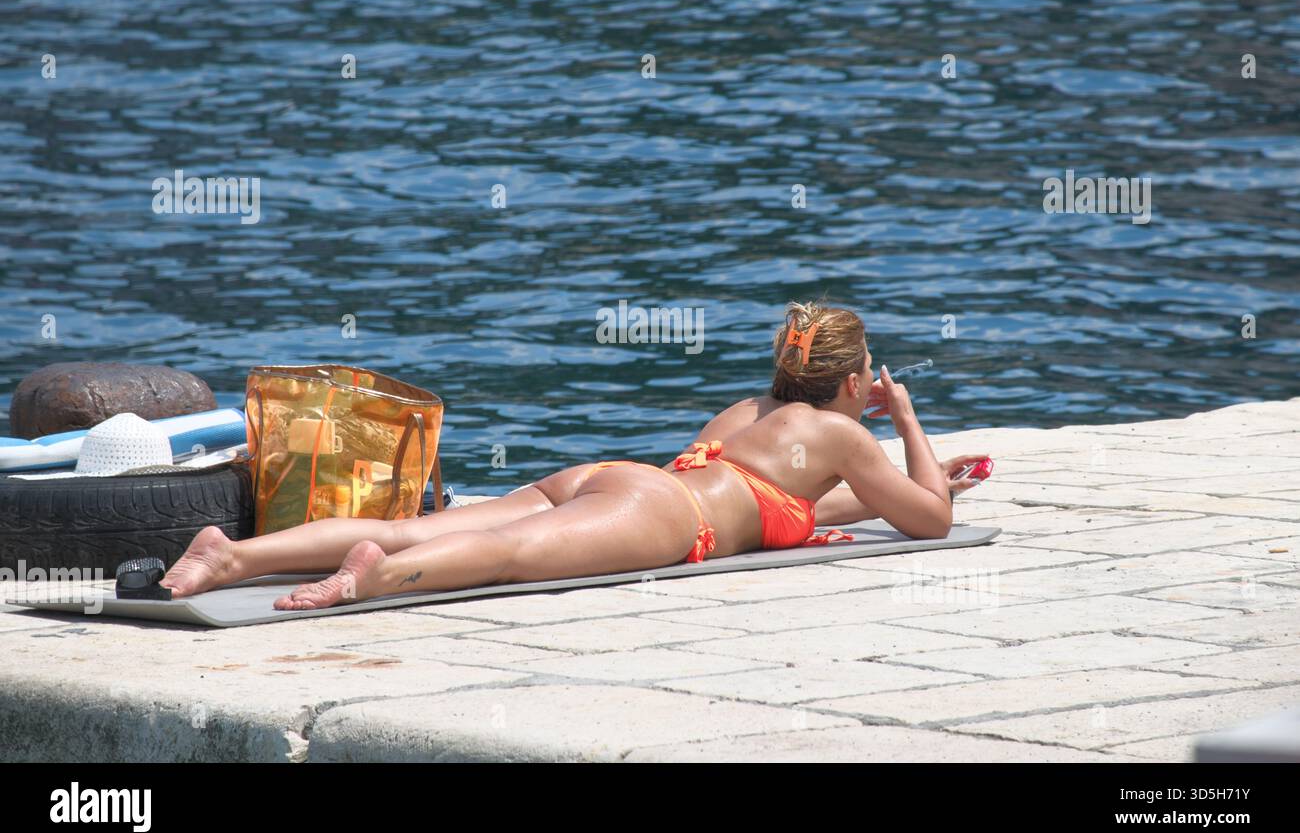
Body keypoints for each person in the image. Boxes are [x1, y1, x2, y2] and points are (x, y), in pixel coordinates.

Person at [161, 301, 988, 610]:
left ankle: (230, 556)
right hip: (667, 515)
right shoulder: (846, 434)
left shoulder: (749, 411)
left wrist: (901, 484)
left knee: (422, 526)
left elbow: (803, 503)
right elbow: (931, 523)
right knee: (509, 558)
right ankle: (370, 580)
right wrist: (907, 421)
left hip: (614, 481)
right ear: (850, 382)